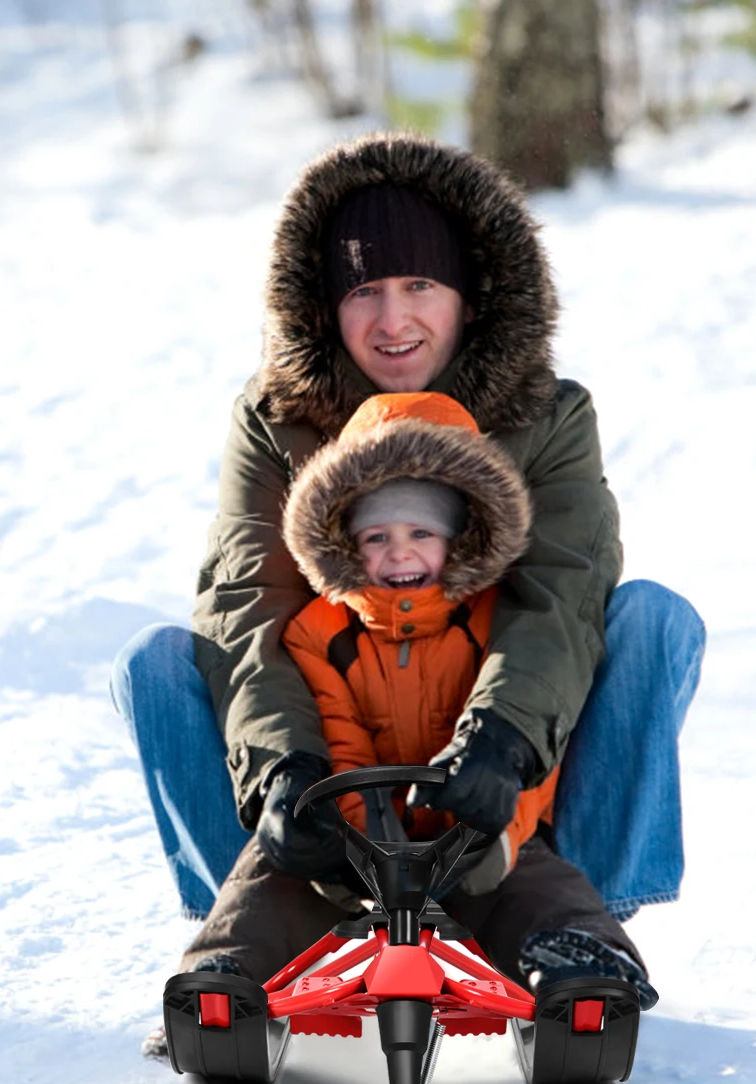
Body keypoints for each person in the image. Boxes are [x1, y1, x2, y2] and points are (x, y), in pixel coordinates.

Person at [111, 131, 704, 948]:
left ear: (470, 295)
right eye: (364, 292)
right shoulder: (278, 420)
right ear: (326, 306)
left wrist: (502, 738)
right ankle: (260, 920)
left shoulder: (548, 416)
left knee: (651, 621)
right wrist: (285, 771)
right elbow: (249, 603)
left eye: (420, 284)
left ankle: (576, 917)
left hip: (497, 785)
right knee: (157, 663)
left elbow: (560, 597)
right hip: (338, 762)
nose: (393, 321)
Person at [167, 388, 659, 1014]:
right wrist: (339, 832)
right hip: (356, 841)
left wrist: (496, 832)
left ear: (460, 539)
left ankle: (581, 966)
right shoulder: (319, 633)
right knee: (270, 874)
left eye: (421, 532)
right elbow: (335, 739)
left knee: (536, 882)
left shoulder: (489, 624)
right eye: (376, 536)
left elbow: (533, 750)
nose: (399, 552)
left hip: (476, 829)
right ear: (344, 542)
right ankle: (225, 978)